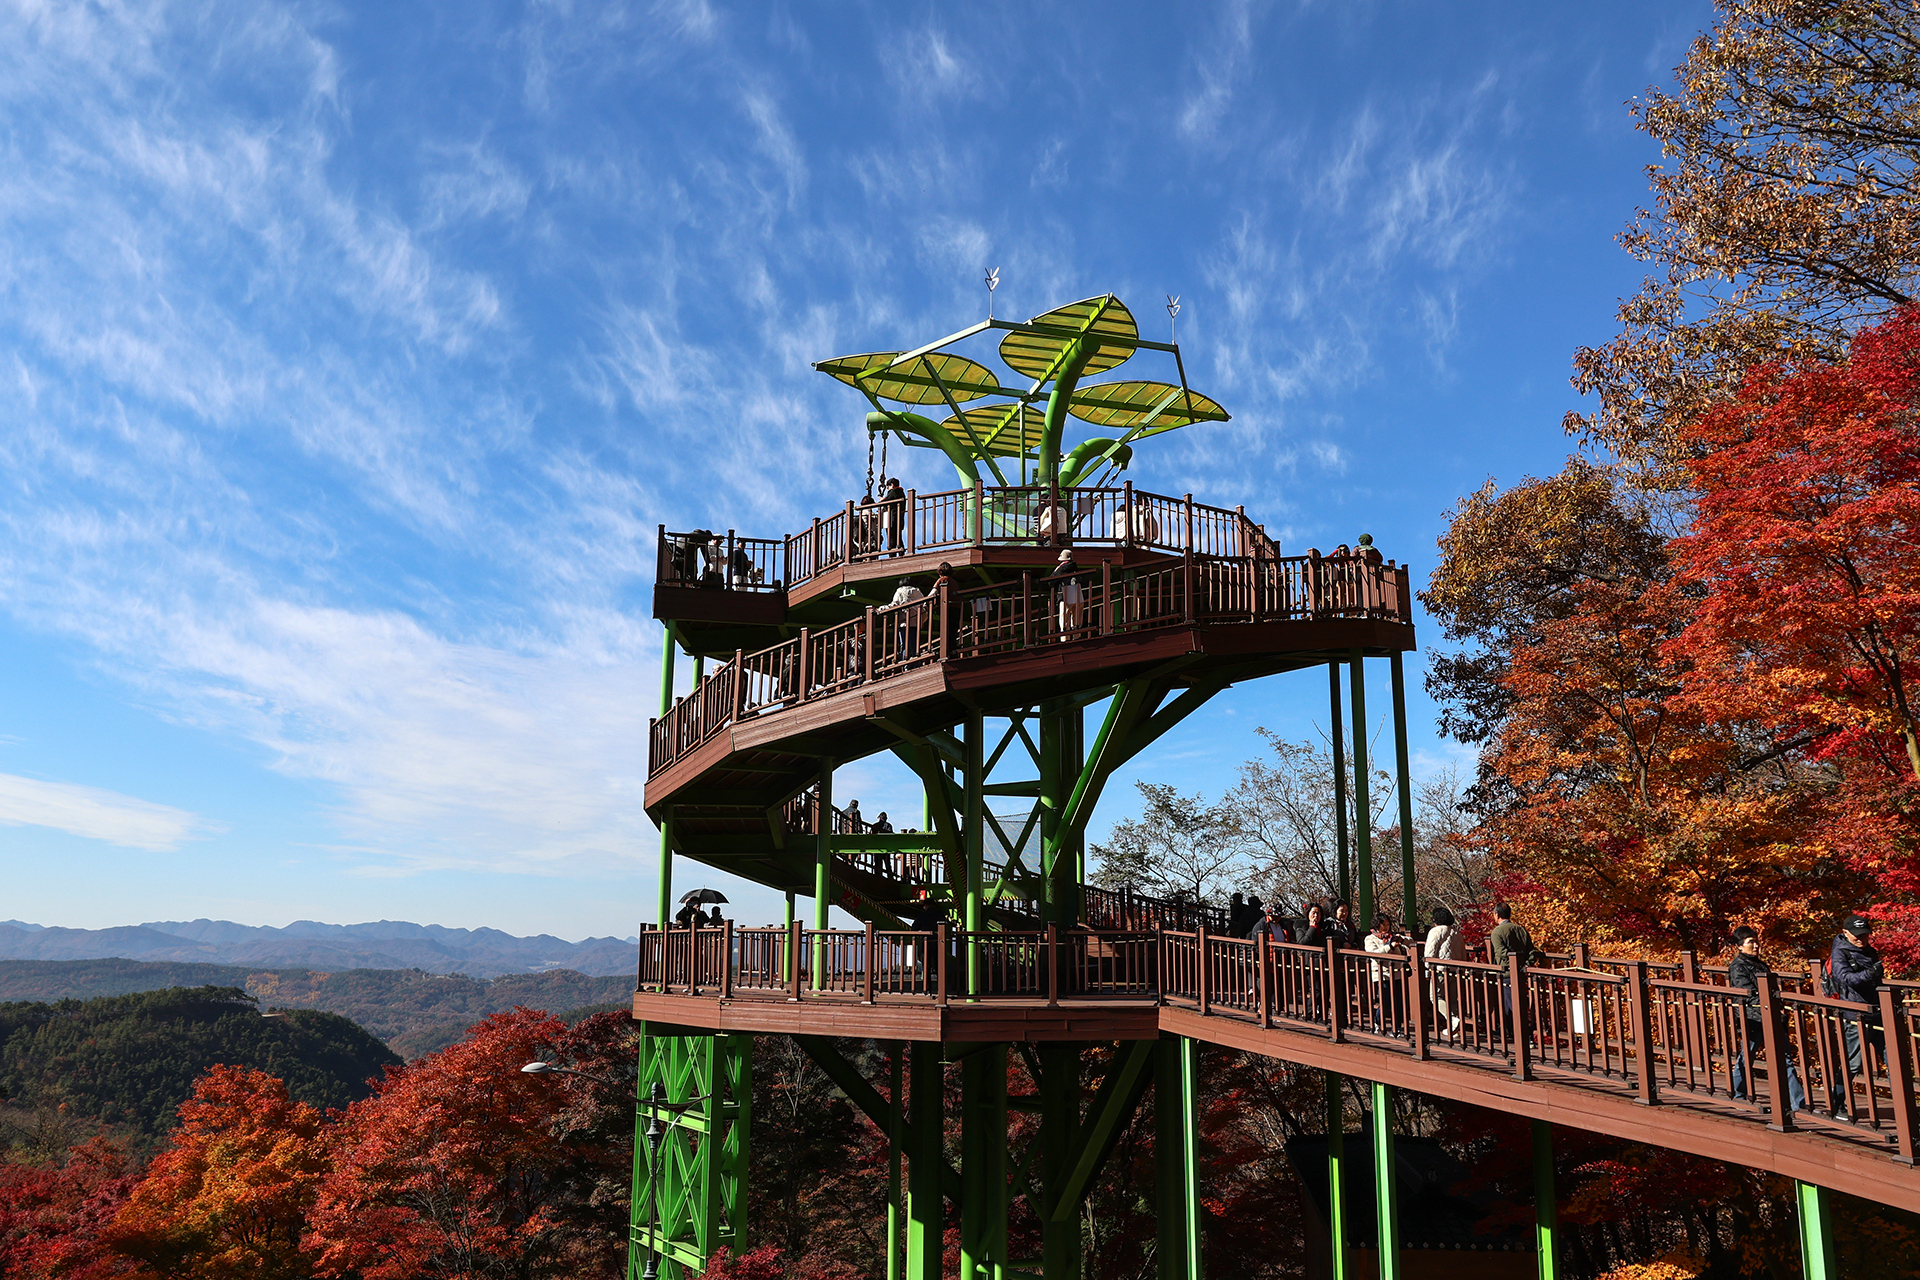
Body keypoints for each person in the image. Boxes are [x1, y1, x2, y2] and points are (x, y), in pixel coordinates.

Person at [1727, 925, 1808, 1113]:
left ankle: (1799, 1103)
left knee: (1785, 1058)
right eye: (1750, 942)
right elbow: (1746, 994)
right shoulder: (1738, 967)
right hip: (1753, 1019)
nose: (1756, 946)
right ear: (1739, 946)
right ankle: (1739, 1096)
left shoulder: (1761, 965)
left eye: (1756, 941)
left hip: (1771, 1016)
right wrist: (1769, 1003)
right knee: (1747, 1056)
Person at [1829, 913, 1886, 1102]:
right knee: (1853, 1063)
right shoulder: (1840, 952)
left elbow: (1876, 981)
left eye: (1865, 934)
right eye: (1857, 934)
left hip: (1878, 1012)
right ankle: (1837, 1103)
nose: (1861, 938)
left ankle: (1907, 1110)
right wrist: (1870, 973)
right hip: (1856, 1015)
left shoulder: (1870, 951)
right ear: (1845, 933)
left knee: (1894, 1061)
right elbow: (1845, 978)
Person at [1424, 906, 1462, 1036]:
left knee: (1435, 997)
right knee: (1453, 999)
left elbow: (1429, 953)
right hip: (1455, 970)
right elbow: (1462, 953)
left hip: (1440, 970)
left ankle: (1452, 1019)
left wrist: (1427, 969)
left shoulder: (1435, 931)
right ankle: (1454, 1029)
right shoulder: (1456, 933)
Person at [1364, 913, 1404, 1032]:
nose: (1386, 927)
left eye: (1387, 924)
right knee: (1385, 1002)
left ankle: (1396, 1028)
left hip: (1396, 974)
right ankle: (1378, 1021)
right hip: (1381, 974)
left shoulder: (1393, 937)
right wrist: (1390, 946)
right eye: (1383, 924)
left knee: (1398, 1003)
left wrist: (1401, 940)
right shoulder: (1370, 939)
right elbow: (1374, 954)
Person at [1046, 549, 1084, 637]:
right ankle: (1077, 637)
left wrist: (1056, 571)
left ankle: (1065, 639)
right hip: (1078, 595)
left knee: (1064, 621)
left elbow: (1051, 582)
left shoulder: (1062, 569)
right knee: (1077, 620)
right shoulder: (1076, 568)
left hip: (1065, 596)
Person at [889, 576, 925, 658]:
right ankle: (916, 661)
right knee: (915, 644)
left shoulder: (900, 591)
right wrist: (922, 621)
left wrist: (881, 609)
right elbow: (923, 606)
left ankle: (905, 662)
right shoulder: (918, 592)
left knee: (904, 644)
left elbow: (894, 604)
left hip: (904, 622)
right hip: (916, 622)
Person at [881, 476, 906, 552]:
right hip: (899, 518)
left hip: (891, 518)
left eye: (888, 487)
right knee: (898, 537)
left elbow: (886, 501)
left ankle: (892, 553)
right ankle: (901, 551)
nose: (888, 489)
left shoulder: (893, 492)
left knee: (891, 537)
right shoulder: (901, 493)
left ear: (892, 485)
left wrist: (882, 500)